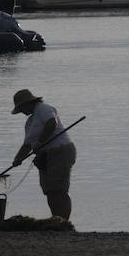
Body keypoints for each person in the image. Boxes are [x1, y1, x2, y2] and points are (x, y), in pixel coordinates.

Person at [10, 88, 77, 221]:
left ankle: (64, 222)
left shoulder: (43, 108)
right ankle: (56, 219)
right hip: (45, 156)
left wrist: (40, 142)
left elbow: (52, 123)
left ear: (28, 103)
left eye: (21, 108)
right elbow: (27, 145)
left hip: (60, 151)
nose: (22, 112)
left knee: (59, 189)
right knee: (49, 190)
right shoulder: (30, 122)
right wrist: (18, 158)